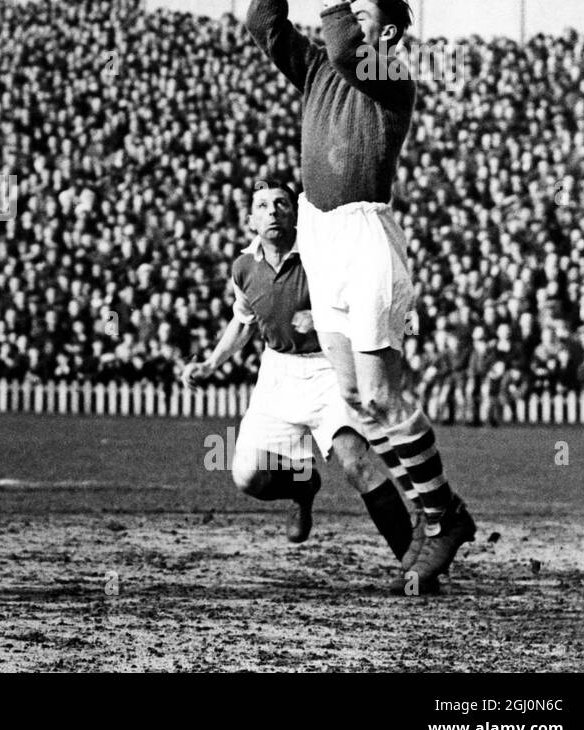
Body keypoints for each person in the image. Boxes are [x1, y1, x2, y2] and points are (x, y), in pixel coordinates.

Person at [245, 0, 477, 596]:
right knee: (353, 394)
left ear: (390, 33)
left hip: (365, 236)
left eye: (363, 13)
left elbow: (347, 44)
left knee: (379, 391)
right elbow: (264, 24)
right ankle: (439, 519)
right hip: (322, 238)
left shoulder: (389, 72)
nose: (347, 17)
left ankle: (443, 517)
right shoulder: (318, 68)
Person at [181, 178, 423, 567]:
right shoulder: (244, 267)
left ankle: (415, 564)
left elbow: (363, 295)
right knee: (249, 478)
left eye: (281, 204)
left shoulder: (319, 255)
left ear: (296, 214)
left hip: (329, 367)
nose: (273, 212)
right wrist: (212, 362)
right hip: (278, 374)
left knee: (355, 464)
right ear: (250, 221)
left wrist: (326, 316)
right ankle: (304, 487)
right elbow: (242, 321)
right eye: (262, 206)